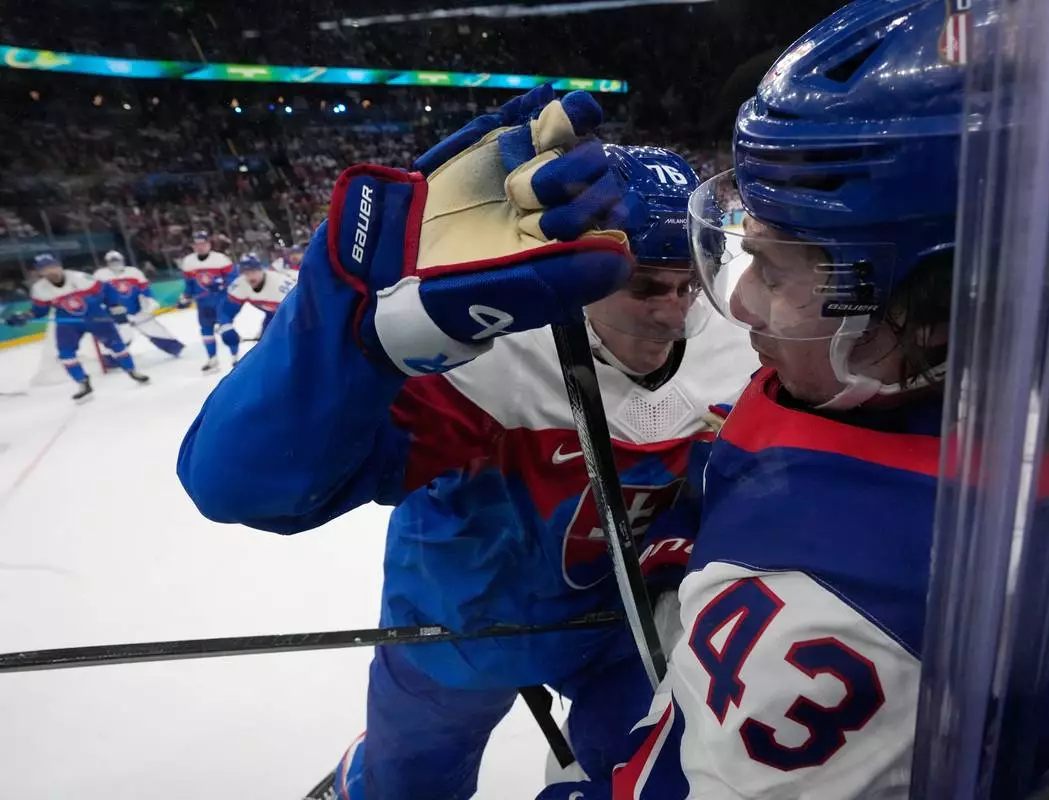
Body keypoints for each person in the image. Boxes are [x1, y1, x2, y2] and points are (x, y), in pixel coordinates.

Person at [533, 1, 1049, 798]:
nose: (739, 306)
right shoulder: (922, 406)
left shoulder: (830, 622)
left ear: (935, 312)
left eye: (776, 271)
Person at [176, 87, 756, 800]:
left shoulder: (732, 354)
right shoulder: (489, 354)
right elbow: (247, 485)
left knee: (653, 770)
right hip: (458, 624)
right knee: (409, 787)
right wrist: (351, 335)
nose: (672, 313)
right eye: (643, 286)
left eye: (686, 286)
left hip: (619, 622)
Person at [3, 253, 149, 400]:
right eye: (45, 269)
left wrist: (115, 306)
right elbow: (40, 310)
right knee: (65, 354)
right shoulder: (39, 289)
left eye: (53, 267)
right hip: (67, 322)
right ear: (40, 272)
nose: (50, 271)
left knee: (117, 346)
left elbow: (107, 289)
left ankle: (132, 371)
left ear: (59, 266)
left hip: (95, 317)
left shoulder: (81, 278)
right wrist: (25, 316)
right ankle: (83, 382)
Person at [94, 250, 184, 357]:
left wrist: (150, 300)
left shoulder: (133, 272)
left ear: (122, 260)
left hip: (136, 310)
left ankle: (174, 348)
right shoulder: (100, 275)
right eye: (112, 262)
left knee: (154, 329)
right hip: (115, 315)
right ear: (107, 263)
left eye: (117, 261)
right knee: (123, 335)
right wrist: (103, 308)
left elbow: (145, 289)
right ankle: (111, 359)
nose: (115, 264)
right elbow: (96, 295)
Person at [216, 252, 295, 364]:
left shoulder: (280, 285)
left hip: (295, 315)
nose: (250, 277)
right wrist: (226, 326)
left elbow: (301, 310)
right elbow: (226, 311)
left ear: (261, 269)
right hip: (273, 316)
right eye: (246, 272)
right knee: (267, 351)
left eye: (253, 271)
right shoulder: (240, 285)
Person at [177, 230, 235, 372]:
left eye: (203, 243)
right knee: (206, 331)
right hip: (203, 304)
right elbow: (189, 284)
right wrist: (186, 296)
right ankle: (212, 359)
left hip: (221, 302)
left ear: (209, 244)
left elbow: (234, 279)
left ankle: (235, 357)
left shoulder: (221, 259)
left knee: (226, 329)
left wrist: (222, 285)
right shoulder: (189, 262)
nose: (200, 247)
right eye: (197, 244)